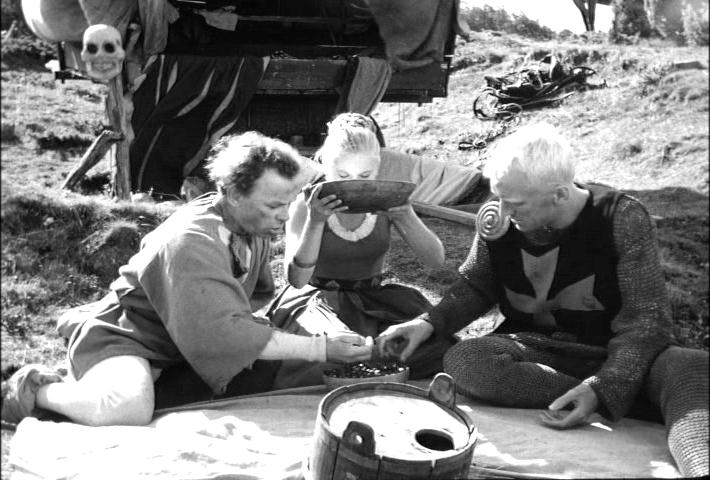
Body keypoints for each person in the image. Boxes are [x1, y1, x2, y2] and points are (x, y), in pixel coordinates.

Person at [375, 123, 709, 477]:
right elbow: (477, 286)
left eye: (514, 203)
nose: (502, 210)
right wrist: (428, 323)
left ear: (560, 195)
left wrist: (607, 384)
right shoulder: (500, 219)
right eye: (499, 198)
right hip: (543, 353)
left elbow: (646, 321)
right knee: (466, 359)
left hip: (620, 352)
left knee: (687, 365)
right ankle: (623, 397)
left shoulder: (621, 219)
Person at [1, 131, 372, 427]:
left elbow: (250, 303)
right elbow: (226, 332)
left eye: (289, 204)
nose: (284, 216)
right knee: (128, 409)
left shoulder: (247, 223)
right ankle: (36, 388)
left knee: (277, 369)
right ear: (231, 193)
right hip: (129, 337)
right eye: (274, 206)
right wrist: (320, 347)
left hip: (181, 344)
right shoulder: (191, 241)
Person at [265, 113, 452, 387]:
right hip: (316, 301)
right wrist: (316, 222)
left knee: (435, 349)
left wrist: (405, 216)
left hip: (375, 301)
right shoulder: (307, 205)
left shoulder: (386, 199)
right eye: (342, 176)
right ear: (326, 167)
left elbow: (436, 261)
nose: (354, 183)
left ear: (378, 170)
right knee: (332, 359)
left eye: (365, 175)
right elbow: (297, 280)